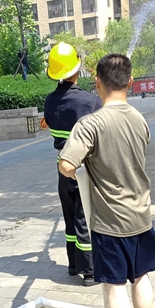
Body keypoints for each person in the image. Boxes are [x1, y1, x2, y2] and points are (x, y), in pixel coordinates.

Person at [58, 54, 155, 308]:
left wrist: (80, 168)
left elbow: (66, 165)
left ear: (98, 83)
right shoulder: (140, 119)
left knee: (114, 287)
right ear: (130, 82)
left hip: (110, 221)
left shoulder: (91, 124)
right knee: (140, 276)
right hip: (141, 214)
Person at [44, 42, 101, 287]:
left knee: (69, 218)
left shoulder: (50, 101)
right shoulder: (91, 102)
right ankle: (90, 272)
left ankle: (73, 264)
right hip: (84, 170)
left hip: (62, 168)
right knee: (84, 219)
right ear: (76, 68)